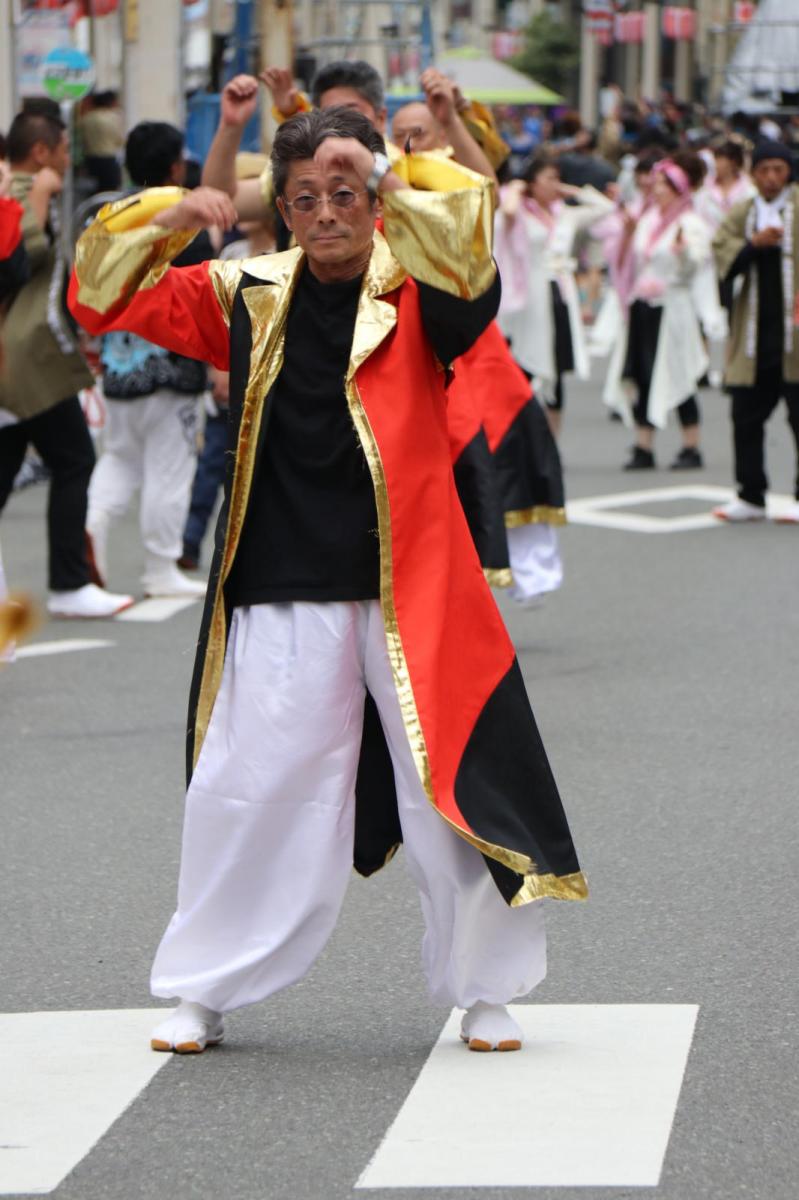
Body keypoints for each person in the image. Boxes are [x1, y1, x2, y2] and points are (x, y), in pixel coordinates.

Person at [70, 107, 586, 1055]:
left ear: (371, 197)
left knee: (453, 800)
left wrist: (388, 176)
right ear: (284, 208)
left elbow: (472, 244)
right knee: (249, 788)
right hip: (281, 583)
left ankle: (486, 991)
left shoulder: (423, 287)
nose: (325, 214)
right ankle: (202, 988)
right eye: (303, 198)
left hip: (414, 591)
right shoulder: (246, 292)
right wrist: (176, 213)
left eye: (343, 194)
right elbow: (103, 296)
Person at [0, 110, 132, 618]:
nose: (64, 159)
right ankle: (69, 583)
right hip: (32, 351)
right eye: (59, 148)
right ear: (40, 150)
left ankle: (70, 582)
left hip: (22, 352)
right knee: (75, 459)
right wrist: (39, 193)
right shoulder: (27, 183)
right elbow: (22, 256)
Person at [84, 122, 211, 597]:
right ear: (176, 166)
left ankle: (92, 527)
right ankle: (161, 568)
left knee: (119, 457)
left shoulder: (107, 214)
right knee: (170, 467)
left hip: (118, 361)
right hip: (172, 364)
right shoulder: (184, 216)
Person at [180, 153, 276, 571]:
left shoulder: (290, 252)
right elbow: (219, 320)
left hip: (271, 384)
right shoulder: (233, 252)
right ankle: (190, 543)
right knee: (212, 469)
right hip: (229, 383)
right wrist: (218, 370)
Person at [603, 154, 727, 470]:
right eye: (656, 184)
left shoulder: (691, 224)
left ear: (678, 189)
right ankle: (643, 445)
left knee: (679, 372)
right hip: (645, 307)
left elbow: (697, 264)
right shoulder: (648, 219)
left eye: (663, 185)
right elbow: (630, 263)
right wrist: (629, 233)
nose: (655, 189)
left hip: (674, 307)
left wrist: (683, 252)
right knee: (644, 374)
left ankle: (691, 444)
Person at [494, 154, 615, 439]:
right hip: (531, 294)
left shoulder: (565, 213)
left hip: (560, 293)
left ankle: (552, 439)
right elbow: (507, 213)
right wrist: (516, 189)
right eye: (548, 178)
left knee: (558, 365)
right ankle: (516, 436)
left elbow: (606, 208)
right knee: (523, 362)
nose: (553, 184)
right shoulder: (521, 212)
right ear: (531, 182)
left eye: (556, 178)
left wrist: (572, 191)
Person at [712, 141, 799, 523]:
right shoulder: (743, 212)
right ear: (753, 174)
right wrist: (753, 245)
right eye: (763, 170)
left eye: (778, 169)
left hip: (794, 337)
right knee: (745, 416)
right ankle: (750, 494)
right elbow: (722, 253)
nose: (771, 178)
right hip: (752, 336)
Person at [695, 140, 755, 232]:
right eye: (715, 159)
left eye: (720, 159)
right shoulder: (704, 190)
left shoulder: (750, 190)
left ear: (733, 162)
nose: (715, 164)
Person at [79, 91, 123, 193]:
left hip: (90, 161)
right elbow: (119, 139)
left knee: (93, 193)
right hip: (109, 160)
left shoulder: (86, 118)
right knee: (110, 193)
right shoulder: (113, 117)